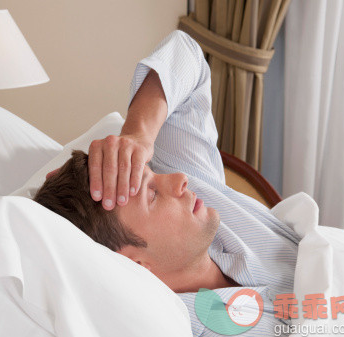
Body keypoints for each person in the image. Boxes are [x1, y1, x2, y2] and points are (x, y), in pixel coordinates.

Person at [34, 30, 300, 335]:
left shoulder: (202, 205)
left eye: (152, 176)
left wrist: (138, 135)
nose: (179, 180)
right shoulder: (188, 327)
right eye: (152, 195)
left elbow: (185, 54)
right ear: (135, 265)